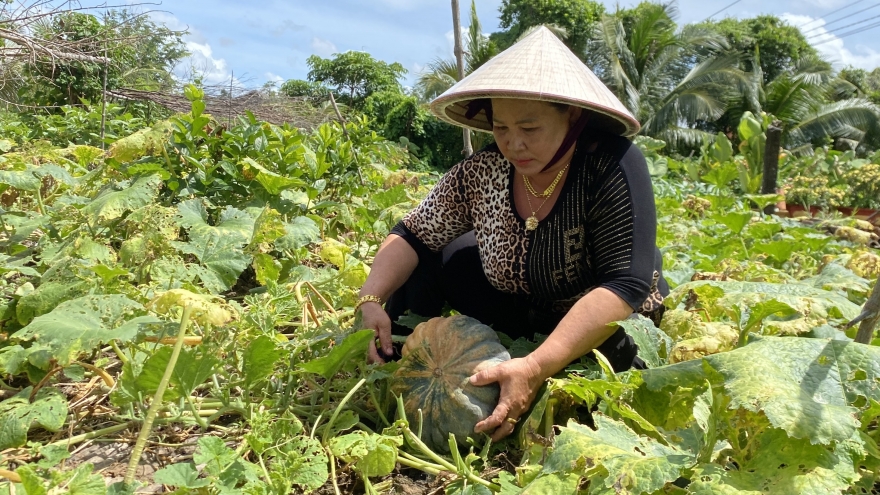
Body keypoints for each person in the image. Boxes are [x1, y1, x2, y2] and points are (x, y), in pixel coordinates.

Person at [354, 26, 667, 442]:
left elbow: (625, 283)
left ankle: (532, 371)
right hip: (521, 304)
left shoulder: (611, 165)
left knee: (591, 396)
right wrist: (371, 297)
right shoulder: (485, 168)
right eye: (501, 128)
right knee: (437, 255)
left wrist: (536, 366)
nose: (513, 144)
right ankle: (399, 357)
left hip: (601, 326)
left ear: (571, 116)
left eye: (530, 128)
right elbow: (413, 232)